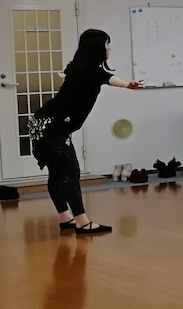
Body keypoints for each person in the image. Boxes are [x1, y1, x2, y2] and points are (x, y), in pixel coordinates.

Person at [30, 29, 144, 234]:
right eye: (106, 44)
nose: (109, 48)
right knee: (70, 172)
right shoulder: (91, 70)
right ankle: (82, 222)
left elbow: (104, 77)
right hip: (54, 125)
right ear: (97, 47)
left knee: (57, 172)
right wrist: (127, 84)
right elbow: (109, 78)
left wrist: (126, 84)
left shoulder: (77, 68)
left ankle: (65, 217)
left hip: (43, 123)